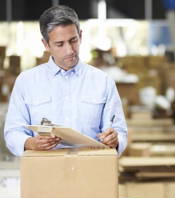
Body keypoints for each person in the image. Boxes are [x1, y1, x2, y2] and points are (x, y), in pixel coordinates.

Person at [4, 5, 127, 156]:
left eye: (73, 40)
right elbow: (13, 131)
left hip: (91, 169)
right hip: (44, 170)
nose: (69, 50)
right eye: (60, 44)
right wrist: (29, 143)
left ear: (80, 36)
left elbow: (119, 131)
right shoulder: (27, 82)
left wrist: (115, 139)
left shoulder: (103, 81)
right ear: (46, 44)